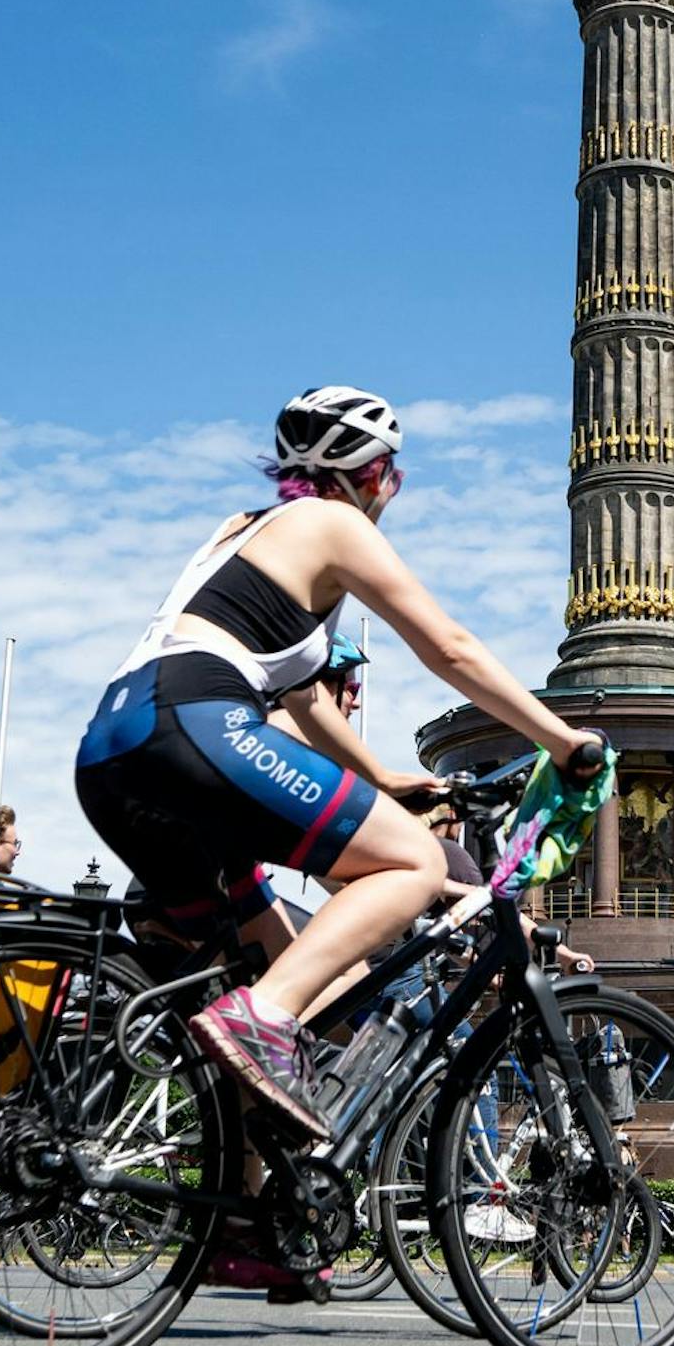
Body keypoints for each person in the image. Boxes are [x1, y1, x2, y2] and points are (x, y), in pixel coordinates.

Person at [75, 385, 602, 1148]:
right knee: (414, 863)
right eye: (394, 476)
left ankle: (253, 1228)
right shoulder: (334, 523)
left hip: (112, 751)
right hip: (191, 721)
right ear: (376, 474)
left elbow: (304, 699)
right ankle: (264, 1018)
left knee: (272, 972)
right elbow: (448, 647)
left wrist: (382, 778)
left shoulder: (245, 531)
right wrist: (562, 741)